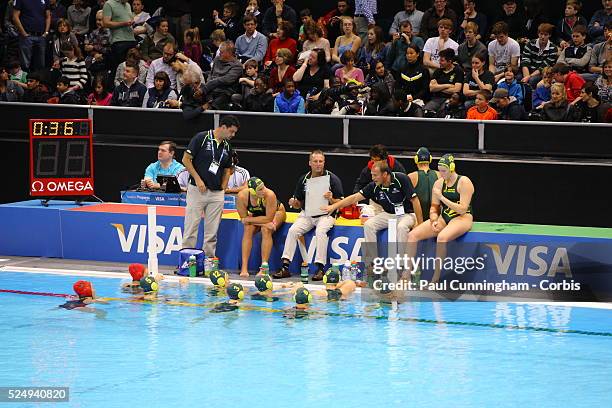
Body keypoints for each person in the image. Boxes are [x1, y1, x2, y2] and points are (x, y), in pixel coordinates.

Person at [322, 161, 423, 263]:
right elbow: (354, 198)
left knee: (401, 227)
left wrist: (420, 224)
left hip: (406, 214)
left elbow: (415, 200)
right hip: (388, 214)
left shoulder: (401, 178)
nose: (372, 178)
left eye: (375, 175)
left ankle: (403, 263)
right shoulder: (374, 186)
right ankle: (372, 263)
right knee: (369, 224)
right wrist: (334, 206)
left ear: (385, 174)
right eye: (372, 175)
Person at [273, 150, 344, 280]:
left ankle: (321, 268)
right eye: (315, 161)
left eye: (321, 161)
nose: (318, 164)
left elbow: (341, 203)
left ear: (324, 163)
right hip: (307, 214)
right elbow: (298, 204)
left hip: (326, 215)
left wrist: (331, 198)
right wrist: (294, 202)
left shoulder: (332, 179)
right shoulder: (304, 179)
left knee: (321, 231)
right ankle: (285, 266)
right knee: (293, 230)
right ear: (310, 163)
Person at [407, 154, 474, 283]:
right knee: (412, 235)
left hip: (462, 217)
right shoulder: (438, 184)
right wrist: (433, 219)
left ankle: (435, 278)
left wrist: (442, 197)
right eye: (440, 170)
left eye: (444, 171)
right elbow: (434, 207)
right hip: (445, 216)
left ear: (452, 168)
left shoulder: (464, 182)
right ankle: (406, 275)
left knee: (442, 238)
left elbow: (462, 209)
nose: (441, 174)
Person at [182, 115, 240, 259]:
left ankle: (208, 261)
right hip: (197, 189)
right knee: (191, 227)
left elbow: (227, 168)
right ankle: (186, 261)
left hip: (216, 193)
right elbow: (186, 159)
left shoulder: (227, 146)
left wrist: (224, 186)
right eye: (231, 131)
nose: (233, 135)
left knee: (212, 231)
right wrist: (198, 179)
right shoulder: (201, 138)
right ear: (223, 127)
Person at [237, 177, 287, 277]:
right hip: (259, 217)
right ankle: (244, 268)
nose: (263, 190)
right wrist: (261, 222)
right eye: (260, 189)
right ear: (252, 191)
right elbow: (243, 218)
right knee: (248, 229)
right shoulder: (242, 196)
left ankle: (264, 268)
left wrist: (253, 221)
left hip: (277, 212)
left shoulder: (270, 195)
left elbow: (269, 218)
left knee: (266, 229)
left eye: (263, 187)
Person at [201, 40, 243, 111]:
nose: (219, 54)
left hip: (225, 92)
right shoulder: (217, 59)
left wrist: (208, 85)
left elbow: (226, 80)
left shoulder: (237, 65)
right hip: (211, 89)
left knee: (216, 102)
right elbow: (211, 75)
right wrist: (208, 86)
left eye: (221, 52)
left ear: (229, 53)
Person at [13, 0, 51, 72]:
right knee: (25, 64)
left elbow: (48, 16)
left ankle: (39, 82)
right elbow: (15, 16)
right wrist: (23, 32)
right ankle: (25, 81)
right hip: (27, 35)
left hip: (41, 36)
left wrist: (46, 32)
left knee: (40, 64)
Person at [520, 23, 559, 89]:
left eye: (545, 35)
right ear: (538, 34)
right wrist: (526, 77)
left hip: (542, 73)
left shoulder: (553, 48)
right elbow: (525, 62)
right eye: (541, 34)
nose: (543, 37)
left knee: (532, 80)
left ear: (549, 35)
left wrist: (529, 77)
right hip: (527, 71)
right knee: (518, 78)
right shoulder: (530, 44)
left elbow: (542, 67)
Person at [424, 48, 463, 112]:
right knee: (427, 110)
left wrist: (438, 87)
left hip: (450, 99)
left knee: (443, 112)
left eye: (442, 60)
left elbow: (456, 90)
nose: (439, 62)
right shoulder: (438, 71)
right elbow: (431, 88)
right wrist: (448, 85)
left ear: (449, 61)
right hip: (436, 98)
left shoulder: (458, 71)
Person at [102, 0, 137, 72]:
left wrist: (131, 22)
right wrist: (124, 23)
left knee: (132, 69)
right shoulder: (109, 4)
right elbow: (106, 23)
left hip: (131, 39)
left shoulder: (128, 5)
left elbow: (129, 19)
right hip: (119, 41)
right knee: (119, 69)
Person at [407, 147, 439, 221]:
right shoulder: (439, 175)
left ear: (416, 159)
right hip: (435, 218)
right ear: (430, 159)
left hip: (418, 220)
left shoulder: (411, 176)